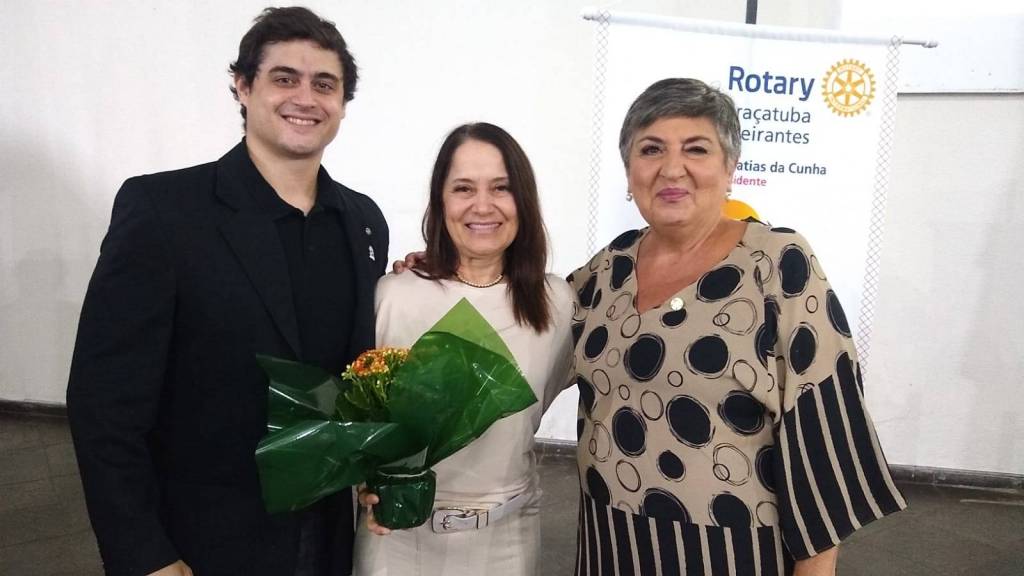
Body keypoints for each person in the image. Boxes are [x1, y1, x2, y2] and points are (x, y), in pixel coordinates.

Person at [66, 7, 387, 576]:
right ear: (242, 86)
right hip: (199, 541)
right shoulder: (164, 211)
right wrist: (144, 553)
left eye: (324, 84)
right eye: (284, 78)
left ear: (343, 102)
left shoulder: (362, 222)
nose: (305, 98)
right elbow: (104, 405)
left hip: (326, 536)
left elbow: (354, 376)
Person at [569, 78, 906, 575]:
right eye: (651, 149)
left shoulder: (776, 262)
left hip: (729, 552)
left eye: (696, 149)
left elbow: (820, 429)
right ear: (629, 170)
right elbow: (527, 329)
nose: (672, 168)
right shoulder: (608, 268)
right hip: (611, 544)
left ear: (730, 168)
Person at [353, 122, 574, 575]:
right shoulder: (393, 296)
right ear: (441, 202)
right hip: (398, 539)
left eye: (501, 188)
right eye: (463, 188)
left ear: (523, 200)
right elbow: (357, 421)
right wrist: (363, 482)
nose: (482, 205)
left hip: (507, 539)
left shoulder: (556, 303)